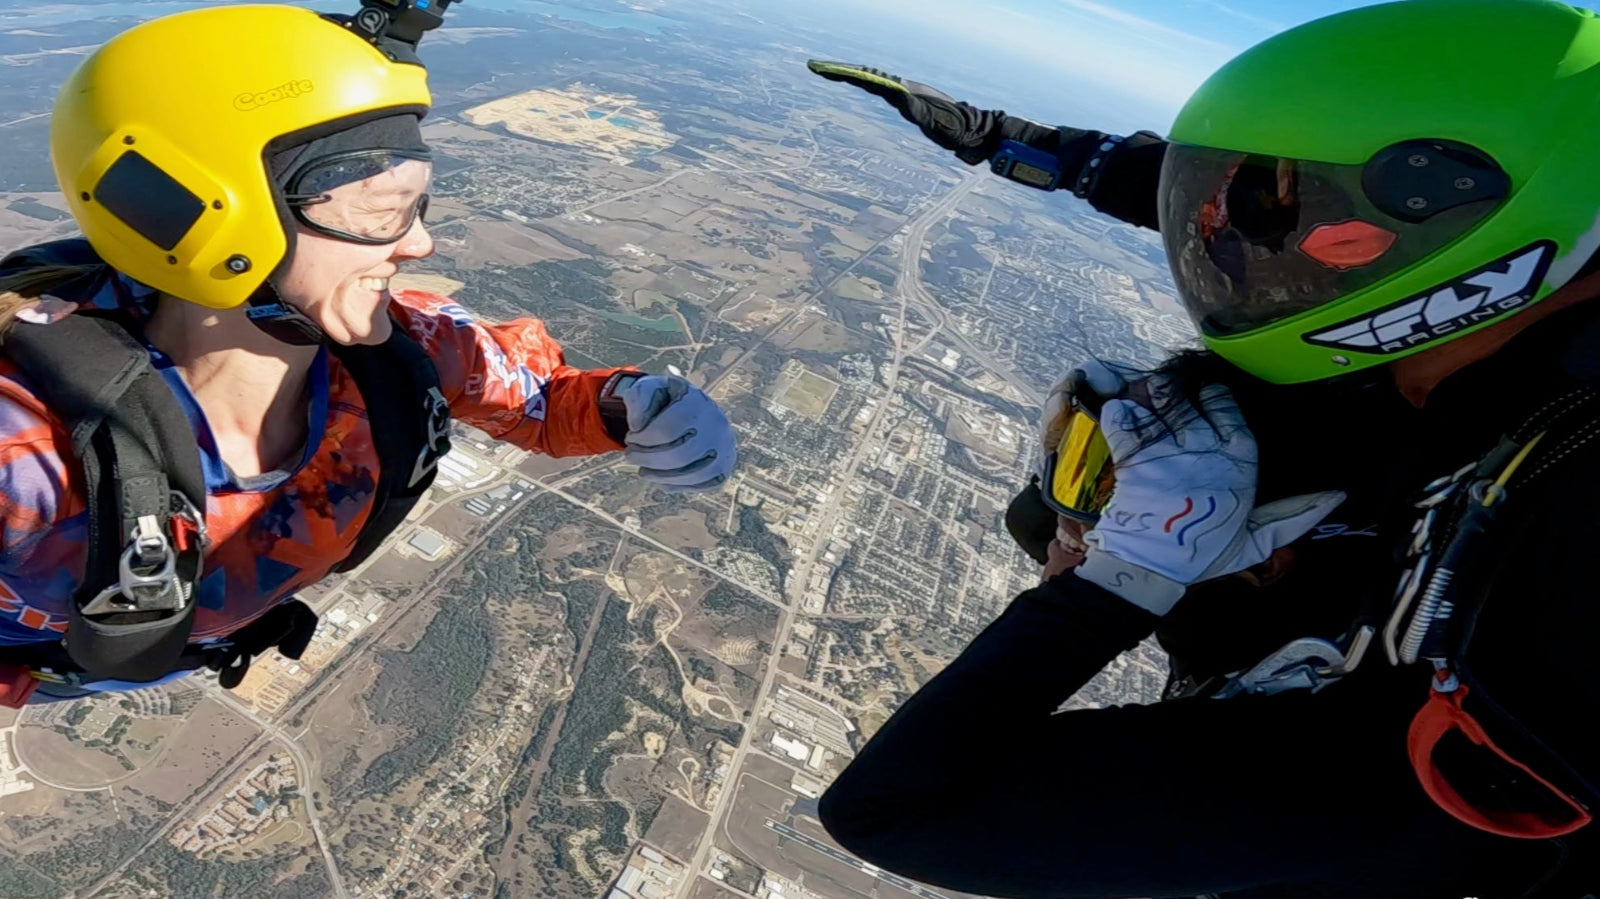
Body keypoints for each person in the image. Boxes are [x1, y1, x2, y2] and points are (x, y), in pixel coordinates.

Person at [808, 1, 1600, 897]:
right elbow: (1289, 227)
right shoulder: (1469, 385)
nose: (1069, 560)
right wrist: (1020, 144)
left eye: (1107, 529)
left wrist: (1122, 585)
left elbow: (893, 807)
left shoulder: (1425, 727)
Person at [0, 3, 736, 703]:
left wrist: (628, 404)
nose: (418, 243)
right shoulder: (23, 457)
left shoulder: (403, 351)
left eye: (417, 203)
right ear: (207, 219)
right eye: (380, 212)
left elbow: (539, 400)